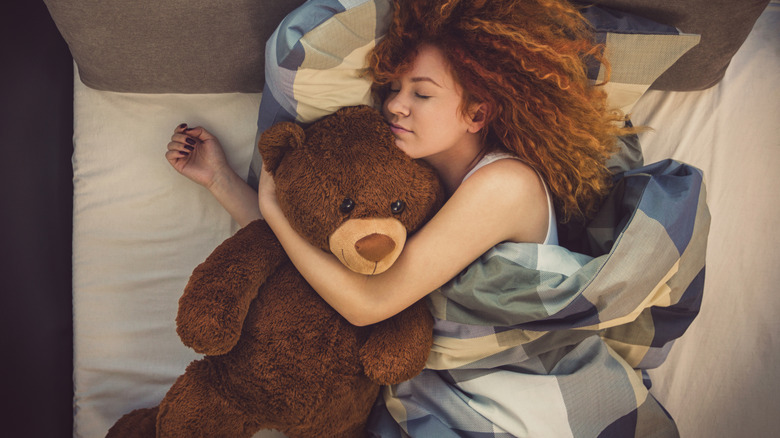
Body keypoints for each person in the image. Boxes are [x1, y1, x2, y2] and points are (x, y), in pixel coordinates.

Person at [167, 1, 673, 436]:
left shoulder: (506, 185)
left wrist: (273, 209)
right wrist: (221, 181)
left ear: (477, 114)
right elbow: (331, 257)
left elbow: (368, 304)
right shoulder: (418, 182)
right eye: (393, 88)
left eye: (421, 93)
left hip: (518, 391)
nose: (395, 106)